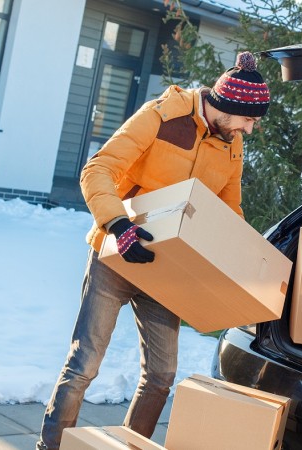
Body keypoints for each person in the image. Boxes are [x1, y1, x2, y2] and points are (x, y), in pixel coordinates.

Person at [36, 51, 270, 450]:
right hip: (117, 255)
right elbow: (98, 169)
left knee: (161, 376)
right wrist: (119, 226)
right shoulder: (161, 116)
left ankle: (131, 446)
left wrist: (234, 260)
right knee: (84, 366)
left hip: (168, 270)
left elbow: (228, 210)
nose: (250, 130)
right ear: (228, 107)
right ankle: (51, 446)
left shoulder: (230, 143)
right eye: (249, 119)